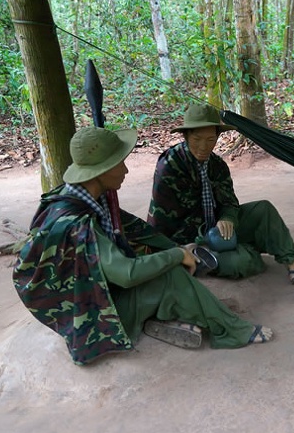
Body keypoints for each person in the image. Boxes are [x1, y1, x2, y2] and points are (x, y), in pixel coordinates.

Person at [13, 126, 272, 366]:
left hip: (94, 288)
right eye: (120, 163)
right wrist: (175, 255)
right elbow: (126, 274)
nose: (126, 170)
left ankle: (173, 315)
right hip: (92, 314)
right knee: (169, 275)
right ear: (100, 172)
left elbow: (139, 229)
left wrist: (180, 248)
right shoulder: (78, 223)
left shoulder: (87, 196)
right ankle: (231, 331)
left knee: (164, 261)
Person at [147, 103, 294, 284]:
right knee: (246, 262)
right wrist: (189, 246)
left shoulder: (217, 165)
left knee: (263, 209)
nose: (204, 146)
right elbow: (162, 226)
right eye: (197, 140)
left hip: (215, 230)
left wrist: (228, 218)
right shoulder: (170, 166)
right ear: (186, 137)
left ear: (217, 137)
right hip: (185, 243)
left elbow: (229, 201)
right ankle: (199, 260)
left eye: (210, 140)